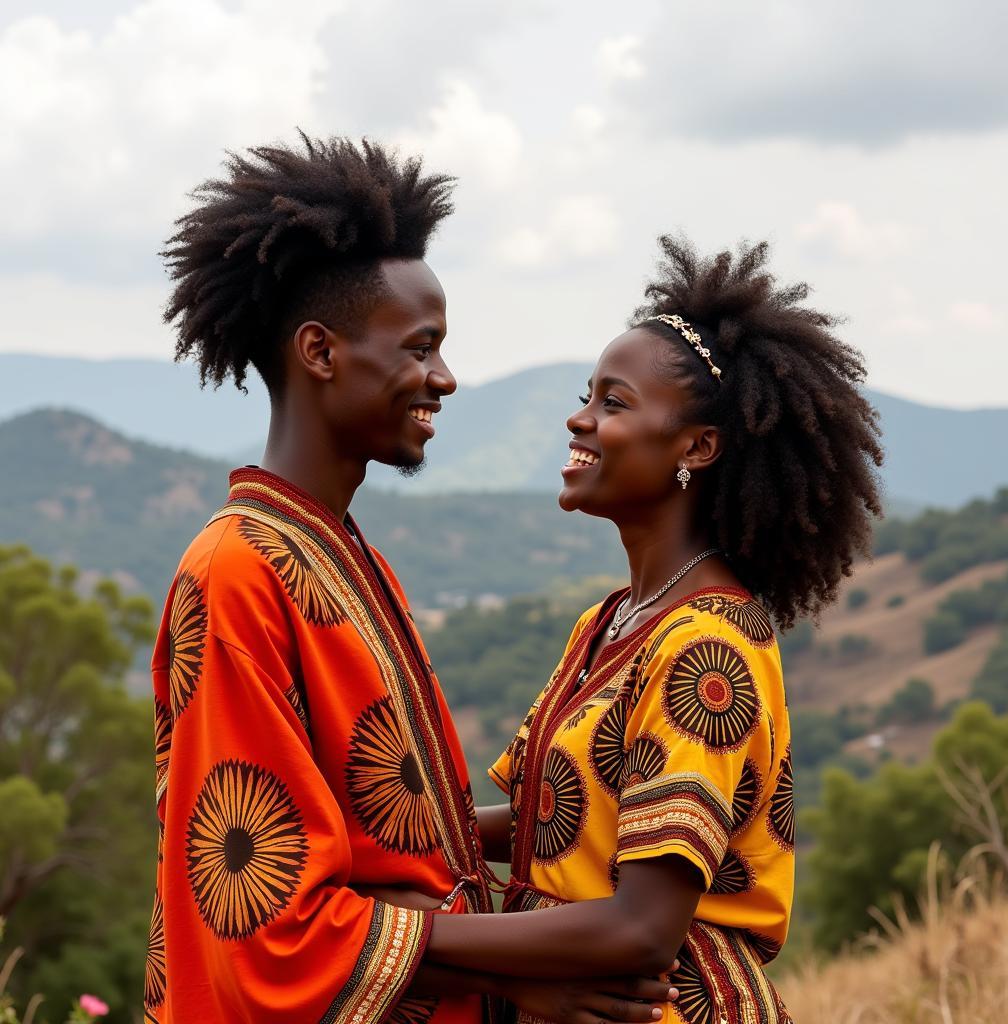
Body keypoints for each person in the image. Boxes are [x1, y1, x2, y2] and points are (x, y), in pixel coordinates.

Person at [147, 134, 675, 1024]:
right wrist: (517, 972)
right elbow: (263, 923)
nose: (445, 378)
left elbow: (400, 845)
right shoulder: (237, 572)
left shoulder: (347, 557)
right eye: (420, 348)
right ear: (320, 352)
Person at [441, 236, 883, 1023]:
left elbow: (643, 929)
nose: (579, 418)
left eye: (614, 402)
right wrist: (380, 838)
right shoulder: (610, 621)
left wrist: (403, 940)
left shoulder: (708, 648)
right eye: (589, 394)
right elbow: (557, 820)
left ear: (698, 448)